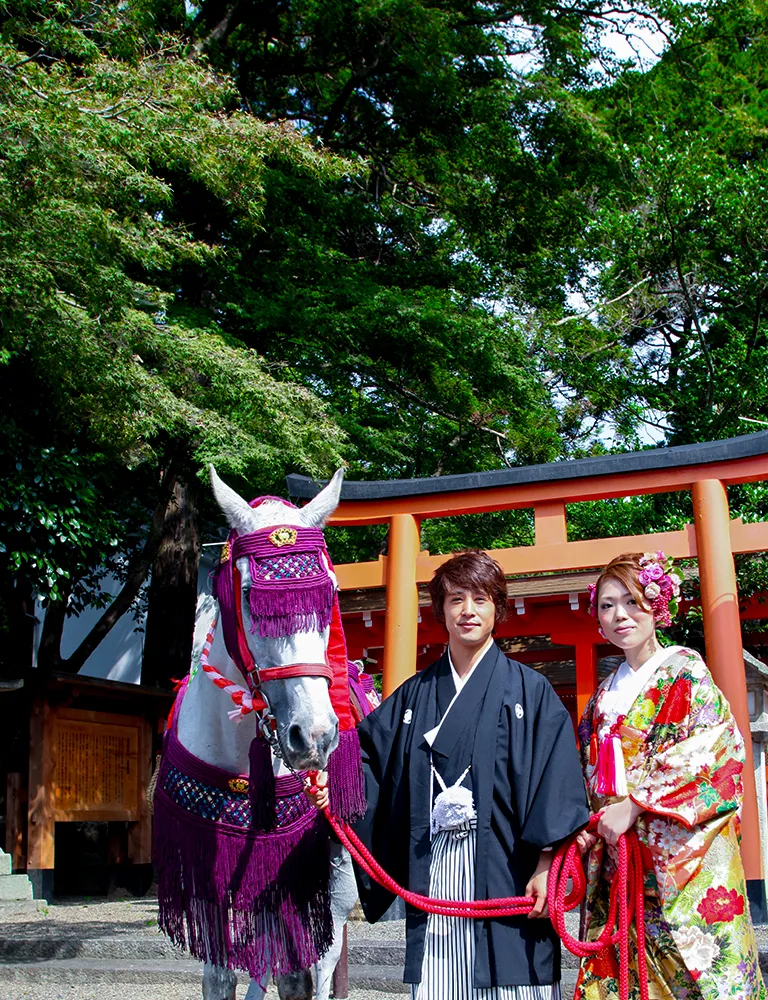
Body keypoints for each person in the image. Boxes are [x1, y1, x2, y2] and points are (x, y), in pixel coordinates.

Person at [311, 549, 589, 999]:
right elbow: (364, 759)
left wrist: (546, 865)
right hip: (435, 866)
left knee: (516, 976)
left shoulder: (529, 690)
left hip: (509, 868)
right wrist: (331, 783)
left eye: (480, 599)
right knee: (441, 979)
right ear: (440, 609)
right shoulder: (415, 695)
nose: (468, 611)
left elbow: (555, 782)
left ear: (498, 608)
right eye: (456, 599)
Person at [575, 551, 765, 1000]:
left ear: (656, 606)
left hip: (680, 853)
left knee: (697, 967)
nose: (619, 615)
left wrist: (635, 804)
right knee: (625, 967)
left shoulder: (686, 672)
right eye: (606, 605)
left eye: (631, 601)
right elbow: (588, 775)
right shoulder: (602, 696)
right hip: (621, 855)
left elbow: (716, 749)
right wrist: (588, 826)